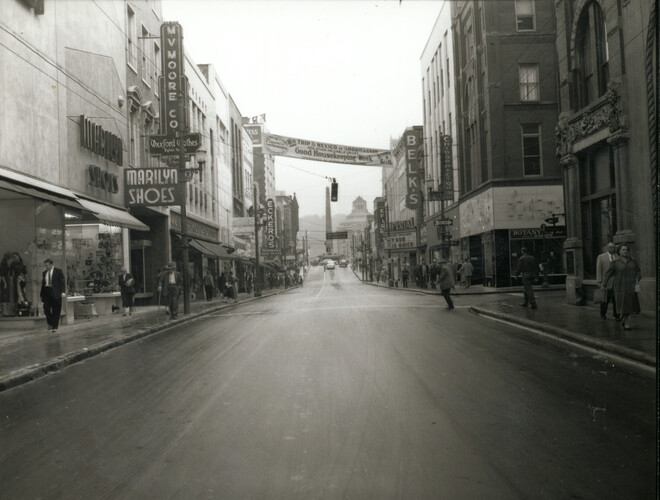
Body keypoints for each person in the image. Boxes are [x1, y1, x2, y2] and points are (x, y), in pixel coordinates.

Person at [601, 244, 641, 331]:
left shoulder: (633, 262)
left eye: (626, 250)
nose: (625, 251)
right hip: (620, 286)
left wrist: (637, 279)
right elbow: (608, 274)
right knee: (623, 304)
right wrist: (603, 285)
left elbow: (638, 271)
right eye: (623, 250)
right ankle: (626, 322)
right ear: (619, 251)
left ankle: (624, 318)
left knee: (630, 305)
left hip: (631, 286)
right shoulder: (615, 263)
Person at [595, 242, 619, 320]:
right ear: (607, 248)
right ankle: (603, 314)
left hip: (615, 282)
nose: (613, 249)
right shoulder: (601, 257)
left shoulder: (617, 257)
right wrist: (599, 281)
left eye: (614, 247)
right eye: (611, 247)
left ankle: (616, 315)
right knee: (605, 299)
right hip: (605, 283)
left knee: (616, 299)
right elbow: (599, 270)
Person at [40, 258, 65, 332]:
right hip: (47, 291)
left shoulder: (58, 271)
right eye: (45, 266)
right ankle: (50, 322)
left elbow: (62, 282)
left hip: (55, 292)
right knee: (46, 309)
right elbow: (43, 284)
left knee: (56, 310)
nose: (46, 267)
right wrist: (41, 295)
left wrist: (63, 292)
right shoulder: (44, 273)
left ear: (51, 264)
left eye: (47, 265)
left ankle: (54, 326)